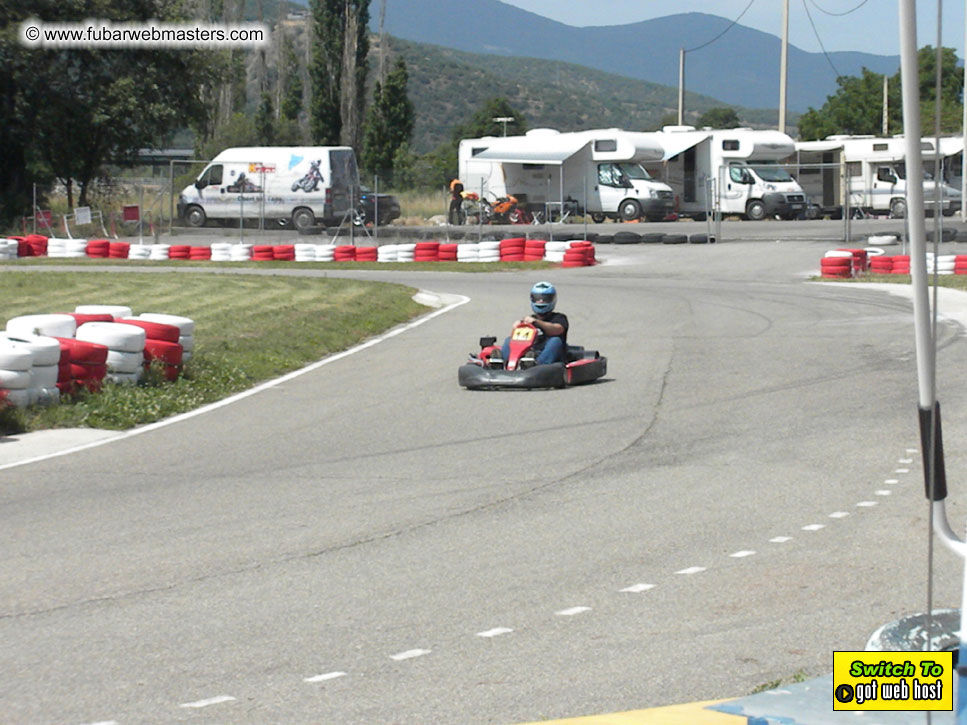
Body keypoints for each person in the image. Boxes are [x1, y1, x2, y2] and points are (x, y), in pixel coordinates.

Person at [497, 281, 568, 365]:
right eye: (538, 298)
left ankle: (537, 364)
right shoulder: (529, 319)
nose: (541, 301)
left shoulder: (559, 318)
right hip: (530, 353)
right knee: (509, 340)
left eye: (545, 299)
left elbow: (557, 330)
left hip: (549, 358)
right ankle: (504, 363)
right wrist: (516, 328)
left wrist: (536, 322)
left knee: (555, 341)